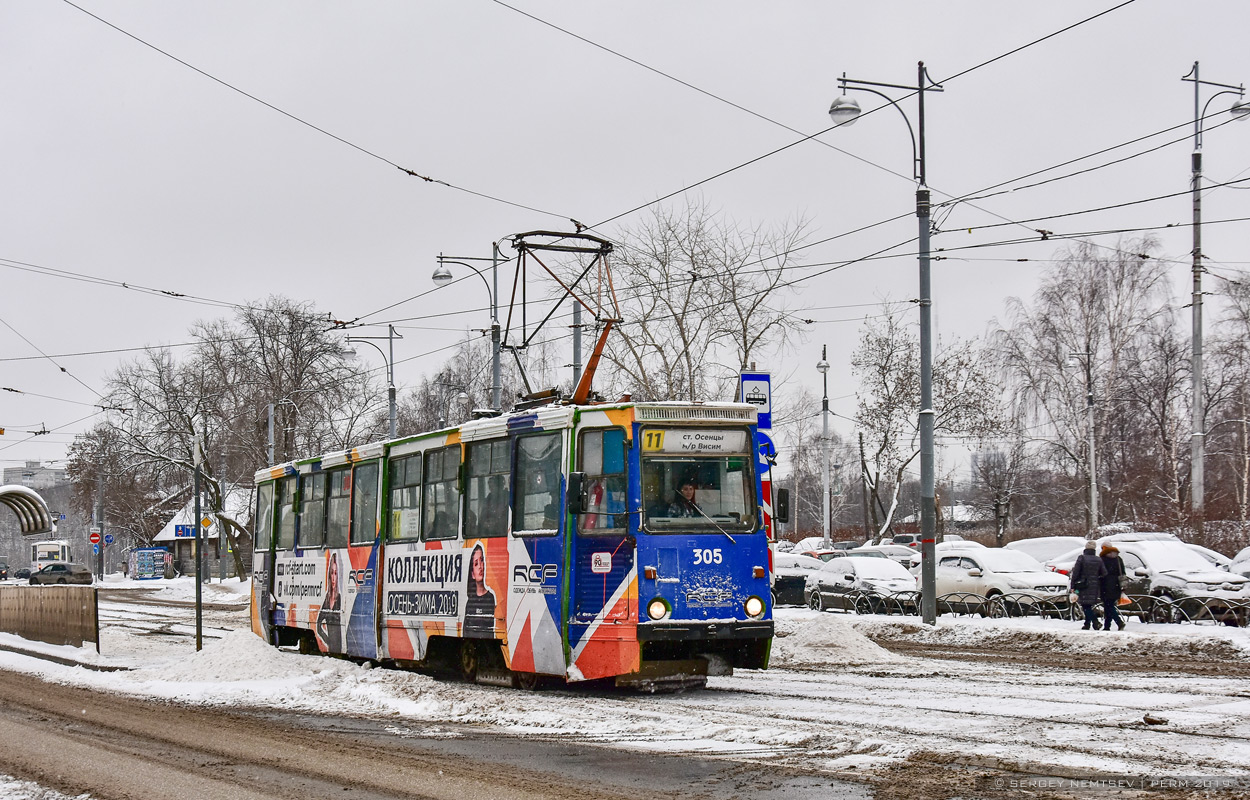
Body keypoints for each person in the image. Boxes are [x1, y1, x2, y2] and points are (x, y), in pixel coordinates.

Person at [1069, 540, 1107, 630]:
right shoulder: (1098, 559)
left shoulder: (1081, 558)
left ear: (1085, 548)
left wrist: (1073, 585)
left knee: (1085, 606)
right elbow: (1104, 573)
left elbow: (1076, 572)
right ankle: (1087, 624)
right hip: (1094, 586)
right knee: (1088, 605)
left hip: (1083, 585)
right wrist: (1096, 578)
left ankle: (1095, 622)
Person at [463, 544, 496, 638]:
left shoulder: (491, 598)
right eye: (476, 563)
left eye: (481, 561)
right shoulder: (470, 602)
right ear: (472, 574)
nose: (480, 567)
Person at [1100, 543, 1127, 631]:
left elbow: (1100, 573)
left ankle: (1119, 622)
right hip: (1117, 584)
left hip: (1105, 584)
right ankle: (1107, 626)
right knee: (1109, 605)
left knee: (1108, 605)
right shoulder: (1118, 559)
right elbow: (1122, 572)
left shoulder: (1103, 559)